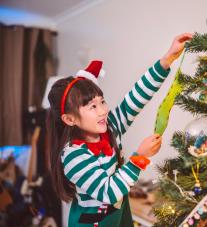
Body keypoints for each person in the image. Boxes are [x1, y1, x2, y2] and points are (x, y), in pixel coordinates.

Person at [46, 33, 192, 226]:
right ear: (70, 119)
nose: (103, 110)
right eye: (92, 106)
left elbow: (135, 97)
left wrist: (167, 59)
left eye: (102, 101)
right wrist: (139, 157)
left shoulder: (110, 128)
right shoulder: (73, 156)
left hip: (119, 216)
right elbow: (109, 192)